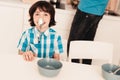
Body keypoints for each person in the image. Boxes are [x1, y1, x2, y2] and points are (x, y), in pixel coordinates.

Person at [67, 0, 109, 64]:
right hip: (98, 12)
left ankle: (74, 70)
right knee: (87, 45)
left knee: (73, 45)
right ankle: (85, 70)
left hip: (86, 9)